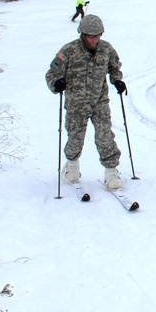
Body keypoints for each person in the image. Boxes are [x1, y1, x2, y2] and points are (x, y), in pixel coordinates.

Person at [46, 14, 126, 190]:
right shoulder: (68, 51)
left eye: (98, 35)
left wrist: (117, 80)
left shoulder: (106, 49)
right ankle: (72, 165)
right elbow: (52, 74)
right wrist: (57, 84)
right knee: (75, 137)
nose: (95, 40)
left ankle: (111, 171)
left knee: (105, 135)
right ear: (82, 34)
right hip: (76, 104)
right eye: (91, 36)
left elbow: (114, 68)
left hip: (99, 101)